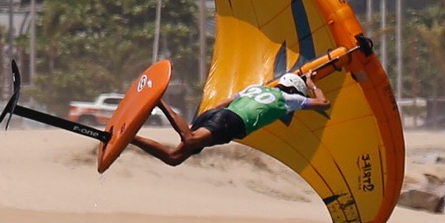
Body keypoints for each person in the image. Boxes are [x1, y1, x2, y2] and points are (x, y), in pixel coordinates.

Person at [130, 69, 330, 166]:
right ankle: (159, 101)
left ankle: (131, 138)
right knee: (190, 139)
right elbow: (323, 103)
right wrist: (311, 83)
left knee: (174, 158)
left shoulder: (255, 88)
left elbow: (222, 104)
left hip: (217, 115)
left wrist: (204, 122)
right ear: (294, 89)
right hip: (232, 123)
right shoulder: (289, 98)